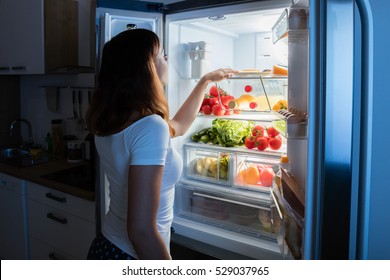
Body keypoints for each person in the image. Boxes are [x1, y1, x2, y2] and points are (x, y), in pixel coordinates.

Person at [85, 28, 236, 260]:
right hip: (132, 254)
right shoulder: (150, 126)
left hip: (107, 245)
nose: (167, 61)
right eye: (162, 56)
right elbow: (141, 231)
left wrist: (205, 81)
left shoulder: (110, 119)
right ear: (147, 68)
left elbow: (179, 125)